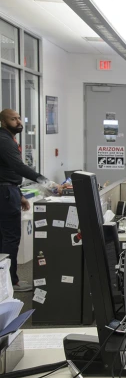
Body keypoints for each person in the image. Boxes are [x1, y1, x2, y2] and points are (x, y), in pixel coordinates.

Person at [0, 109, 61, 292]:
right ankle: (11, 283)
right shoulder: (4, 141)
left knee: (4, 239)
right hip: (5, 193)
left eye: (19, 117)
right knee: (11, 239)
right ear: (3, 122)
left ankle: (6, 283)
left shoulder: (7, 139)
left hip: (8, 191)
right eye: (13, 119)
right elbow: (18, 167)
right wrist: (48, 183)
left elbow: (7, 172)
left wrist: (19, 195)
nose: (18, 121)